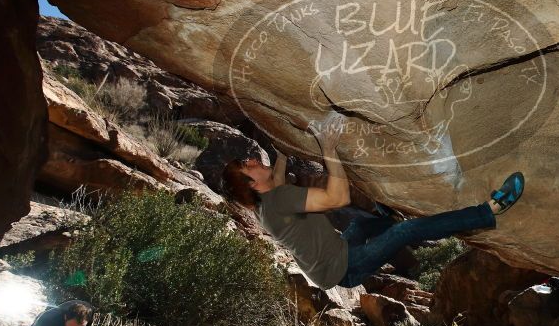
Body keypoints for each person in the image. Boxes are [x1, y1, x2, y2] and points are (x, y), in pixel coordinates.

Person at [222, 119, 524, 290]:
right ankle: (489, 211)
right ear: (251, 184)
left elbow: (277, 179)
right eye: (247, 166)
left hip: (335, 255)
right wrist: (328, 148)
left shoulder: (264, 205)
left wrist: (281, 152)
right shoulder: (278, 200)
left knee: (362, 223)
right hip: (344, 268)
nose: (252, 160)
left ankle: (385, 218)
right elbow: (338, 198)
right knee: (405, 232)